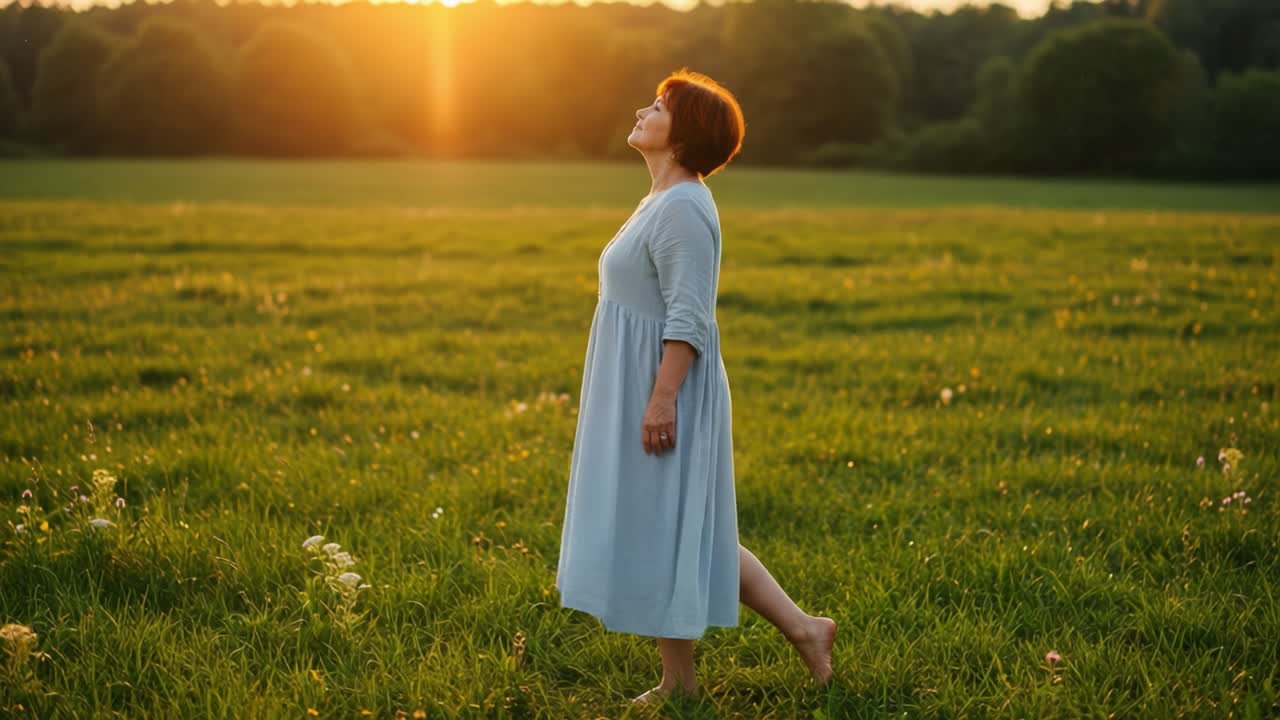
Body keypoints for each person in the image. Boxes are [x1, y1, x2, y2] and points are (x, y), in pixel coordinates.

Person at [554, 68, 836, 706]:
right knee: (680, 526)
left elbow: (689, 315)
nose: (642, 110)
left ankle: (759, 648)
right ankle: (789, 634)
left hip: (663, 387)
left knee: (672, 525)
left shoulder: (683, 207)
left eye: (657, 106)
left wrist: (661, 399)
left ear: (685, 133)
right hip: (640, 383)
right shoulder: (662, 197)